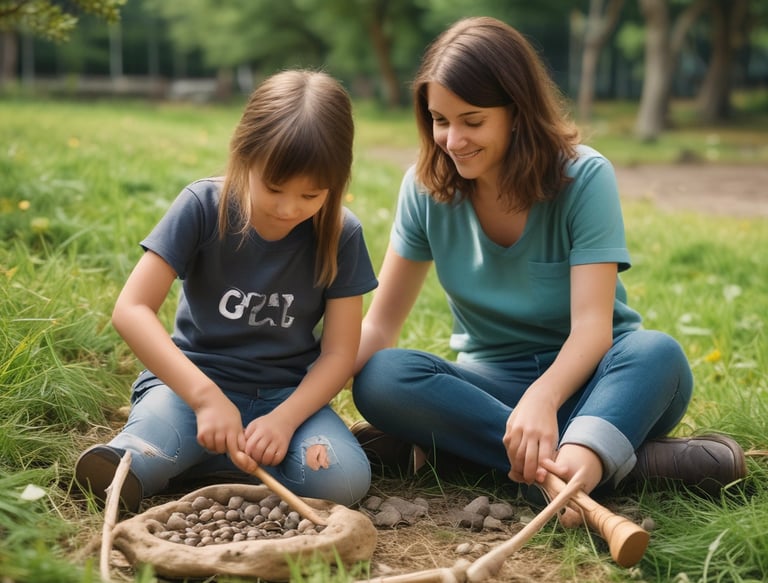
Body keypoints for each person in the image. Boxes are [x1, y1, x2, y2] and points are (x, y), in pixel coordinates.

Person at [351, 16, 746, 526]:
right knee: (383, 376)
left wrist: (543, 398)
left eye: (473, 121)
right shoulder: (423, 189)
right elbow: (381, 327)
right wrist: (300, 387)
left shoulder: (584, 177)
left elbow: (593, 330)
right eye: (439, 120)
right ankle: (598, 464)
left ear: (517, 111)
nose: (453, 139)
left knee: (658, 353)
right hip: (490, 392)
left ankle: (480, 456)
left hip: (601, 382)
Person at [74, 70, 378, 513]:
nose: (288, 208)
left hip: (286, 399)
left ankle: (203, 457)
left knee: (342, 479)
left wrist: (285, 419)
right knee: (134, 458)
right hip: (189, 388)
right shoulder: (201, 206)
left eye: (311, 195)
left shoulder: (342, 233)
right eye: (273, 188)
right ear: (243, 157)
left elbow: (338, 354)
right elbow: (131, 308)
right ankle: (181, 452)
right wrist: (205, 398)